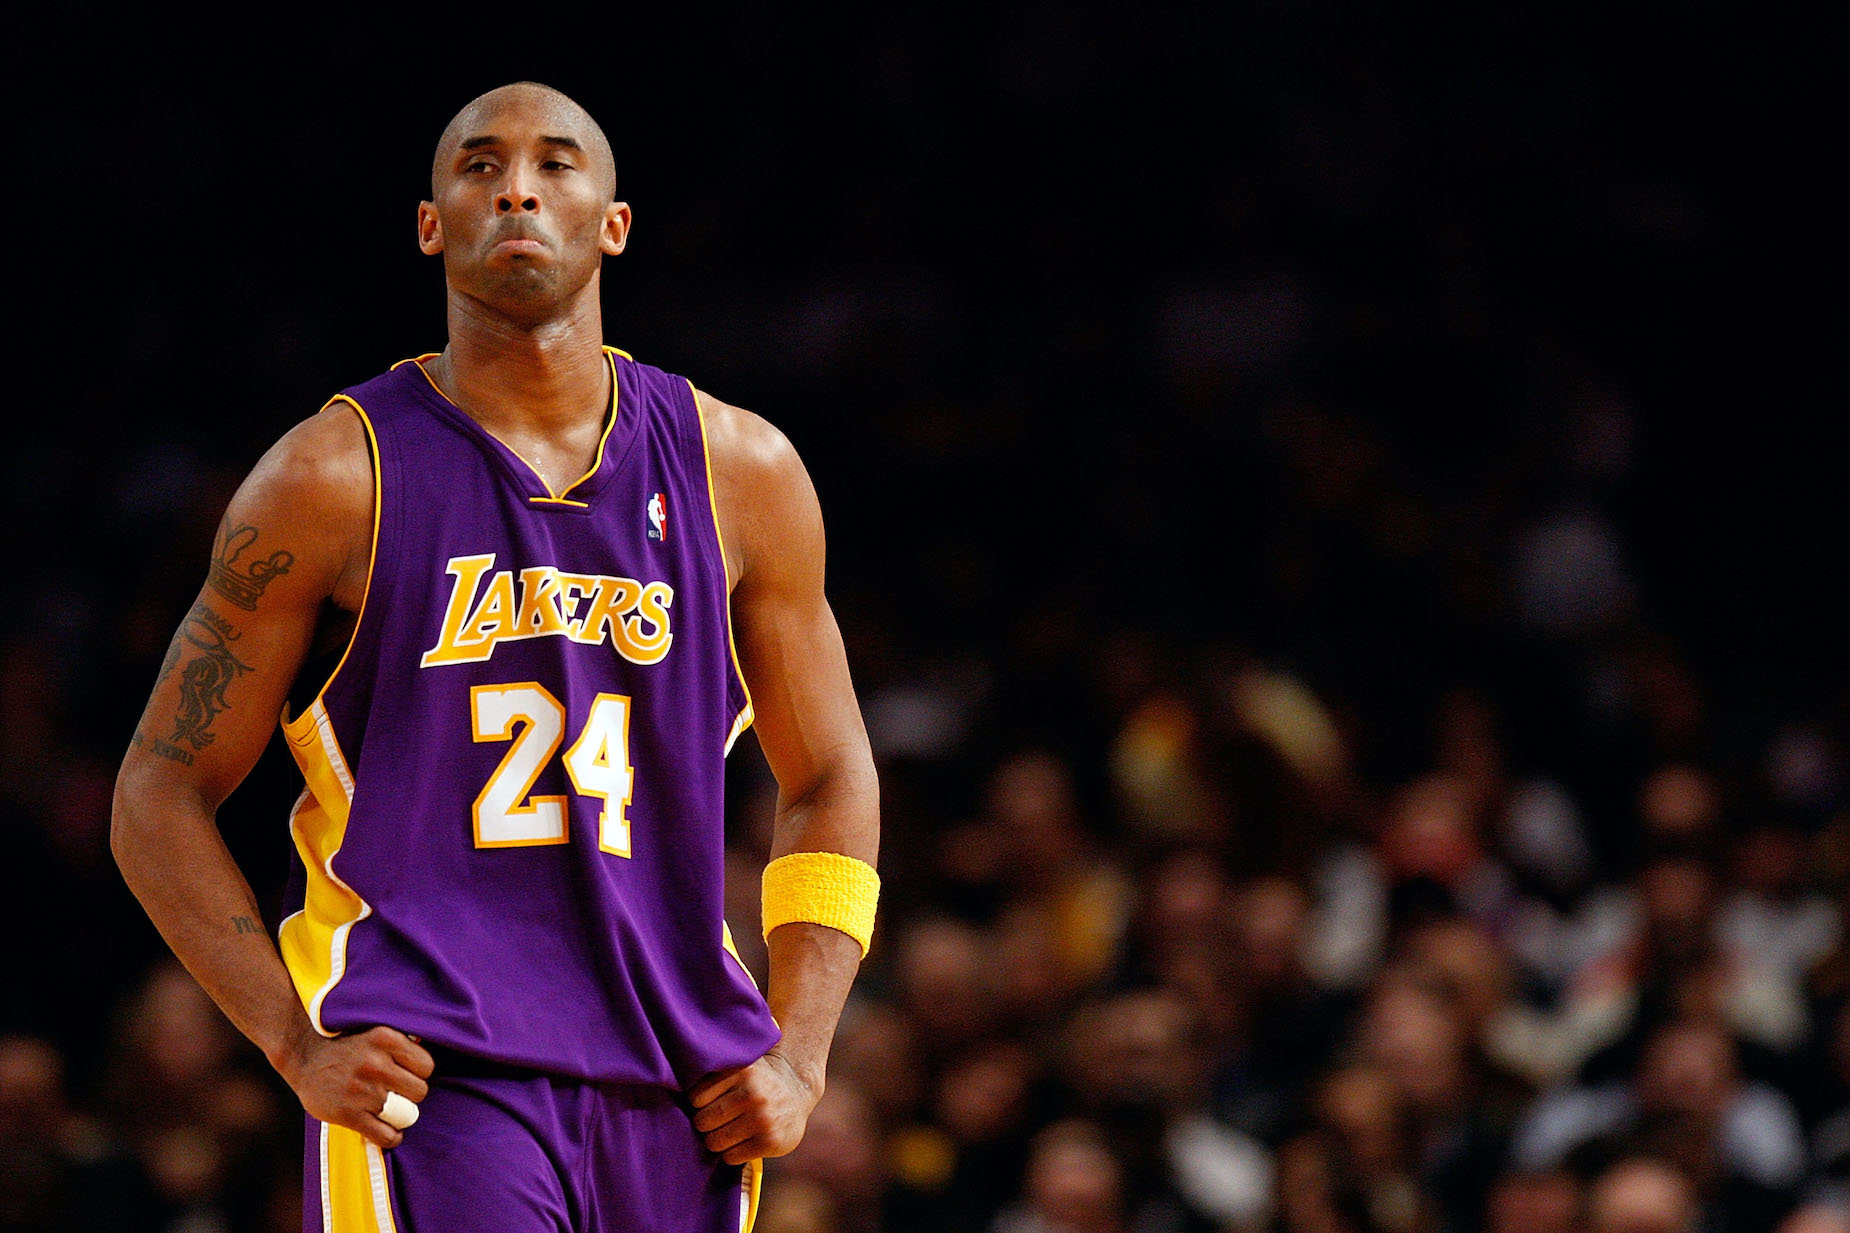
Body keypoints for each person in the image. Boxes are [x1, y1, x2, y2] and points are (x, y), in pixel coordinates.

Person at [110, 81, 881, 1233]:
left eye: (556, 163)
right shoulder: (330, 478)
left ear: (613, 223)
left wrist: (805, 1052)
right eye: (478, 165)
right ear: (431, 223)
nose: (516, 185)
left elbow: (829, 776)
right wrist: (289, 1039)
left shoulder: (743, 473)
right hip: (437, 1078)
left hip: (683, 1085)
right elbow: (157, 790)